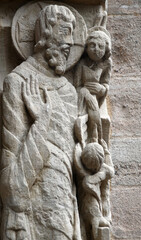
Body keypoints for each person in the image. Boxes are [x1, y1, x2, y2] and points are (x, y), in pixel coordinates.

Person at [0, 5, 80, 240]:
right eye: (65, 32)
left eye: (73, 34)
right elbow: (12, 184)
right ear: (46, 33)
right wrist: (42, 122)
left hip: (67, 203)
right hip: (34, 212)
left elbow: (75, 154)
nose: (71, 43)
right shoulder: (18, 82)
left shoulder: (69, 91)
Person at [74, 27, 112, 145]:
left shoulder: (107, 64)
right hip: (83, 98)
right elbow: (76, 85)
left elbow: (106, 83)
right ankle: (88, 139)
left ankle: (96, 140)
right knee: (89, 114)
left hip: (97, 97)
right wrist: (85, 93)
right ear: (86, 48)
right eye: (92, 45)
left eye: (100, 46)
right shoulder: (81, 63)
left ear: (106, 49)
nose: (96, 50)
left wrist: (102, 89)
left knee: (95, 115)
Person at [74, 140, 114, 240]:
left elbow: (88, 182)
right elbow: (110, 171)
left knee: (94, 226)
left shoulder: (102, 172)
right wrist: (106, 151)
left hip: (95, 207)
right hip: (93, 206)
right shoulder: (103, 171)